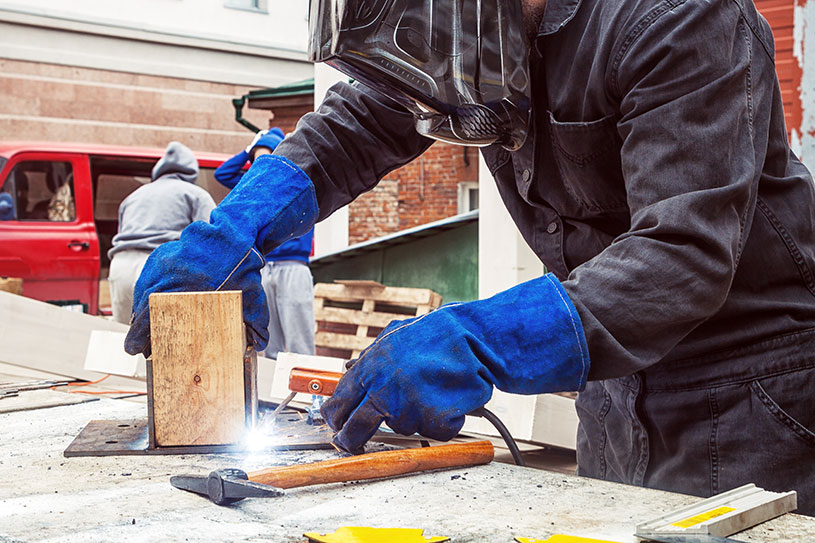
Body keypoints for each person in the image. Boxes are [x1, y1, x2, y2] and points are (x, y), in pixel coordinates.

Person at [124, 0, 815, 515]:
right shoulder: (462, 29)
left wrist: (482, 338)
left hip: (747, 395)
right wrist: (237, 226)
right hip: (612, 394)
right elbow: (362, 120)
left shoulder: (676, 17)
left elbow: (681, 254)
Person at [213, 128, 316, 360]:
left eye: (266, 157)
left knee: (300, 337)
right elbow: (223, 174)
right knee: (269, 341)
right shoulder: (255, 188)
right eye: (256, 160)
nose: (260, 165)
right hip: (264, 268)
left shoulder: (296, 181)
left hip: (293, 266)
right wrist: (249, 149)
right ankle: (271, 393)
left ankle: (309, 394)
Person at [108, 141, 215, 324]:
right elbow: (211, 239)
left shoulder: (134, 195)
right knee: (163, 337)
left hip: (120, 266)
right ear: (191, 171)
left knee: (122, 334)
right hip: (157, 265)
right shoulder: (195, 194)